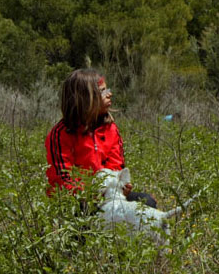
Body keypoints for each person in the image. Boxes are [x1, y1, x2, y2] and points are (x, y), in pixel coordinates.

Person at [45, 68, 157, 209]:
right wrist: (93, 192)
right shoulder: (61, 134)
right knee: (85, 211)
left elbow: (116, 167)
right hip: (76, 202)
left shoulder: (110, 128)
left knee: (146, 202)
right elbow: (62, 181)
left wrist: (121, 187)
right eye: (103, 91)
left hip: (108, 197)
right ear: (85, 98)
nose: (109, 94)